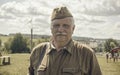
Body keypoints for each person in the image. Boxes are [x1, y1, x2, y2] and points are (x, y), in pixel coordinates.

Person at [28, 6, 102, 75]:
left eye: (65, 26)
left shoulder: (86, 54)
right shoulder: (38, 51)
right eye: (56, 25)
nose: (60, 29)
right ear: (51, 28)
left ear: (73, 29)